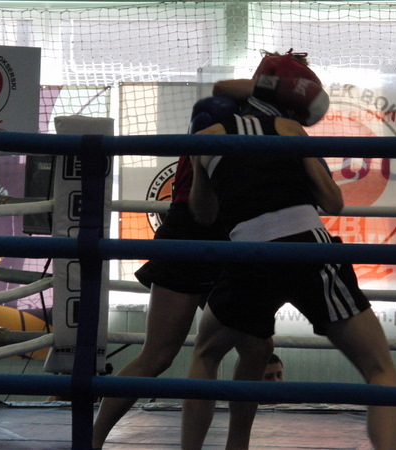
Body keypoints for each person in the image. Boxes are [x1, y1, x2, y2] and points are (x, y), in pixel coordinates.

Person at [182, 50, 396, 450]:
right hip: (306, 249)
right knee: (380, 369)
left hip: (248, 256)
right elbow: (334, 202)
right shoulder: (288, 128)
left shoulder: (204, 138)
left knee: (206, 354)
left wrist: (208, 165)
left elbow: (203, 214)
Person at [91, 96, 272, 449]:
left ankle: (238, 445)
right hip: (191, 232)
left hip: (227, 237)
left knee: (258, 347)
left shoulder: (250, 125)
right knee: (159, 355)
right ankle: (92, 439)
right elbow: (206, 210)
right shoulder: (220, 124)